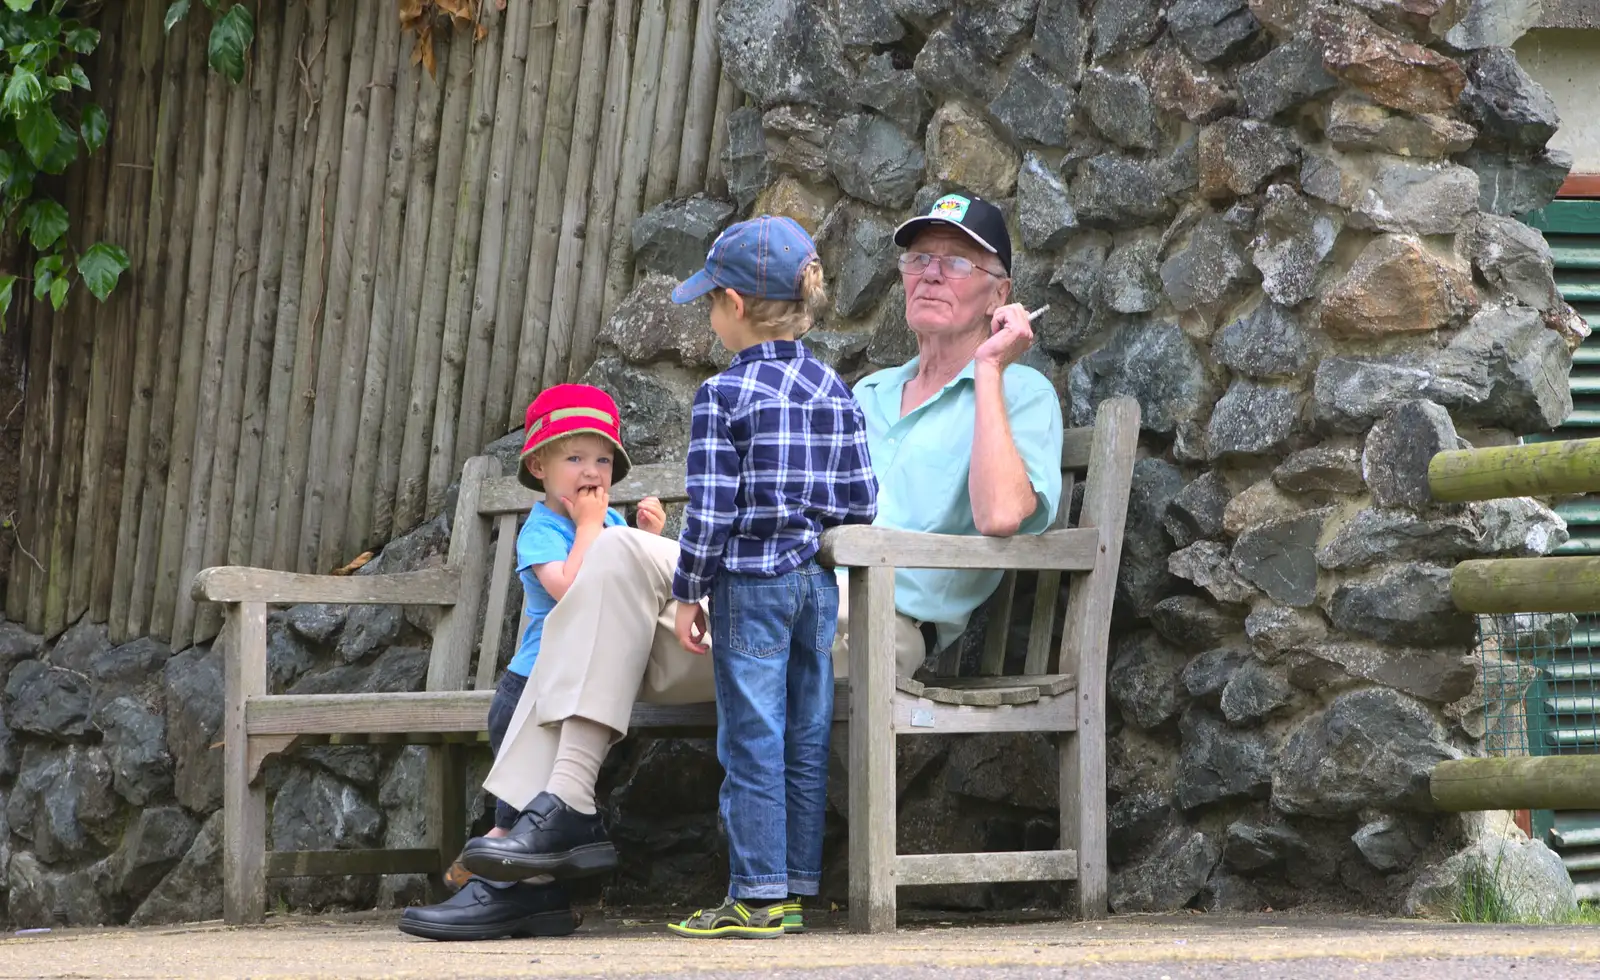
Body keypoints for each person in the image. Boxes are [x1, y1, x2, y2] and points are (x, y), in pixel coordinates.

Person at [397, 192, 1065, 941]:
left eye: (955, 261)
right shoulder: (861, 391)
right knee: (610, 562)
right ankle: (553, 831)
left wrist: (991, 372)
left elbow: (1002, 515)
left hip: (873, 624)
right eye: (917, 258)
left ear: (999, 292)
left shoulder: (1019, 393)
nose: (928, 274)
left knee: (588, 609)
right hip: (775, 601)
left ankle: (523, 868)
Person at [658, 216, 878, 939]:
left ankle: (754, 896)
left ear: (735, 304)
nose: (709, 316)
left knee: (752, 737)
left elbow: (712, 512)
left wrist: (687, 586)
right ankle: (791, 891)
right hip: (815, 587)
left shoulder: (723, 396)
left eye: (710, 303)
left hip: (748, 585)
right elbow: (862, 502)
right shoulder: (835, 390)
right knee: (805, 734)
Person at [400, 384, 665, 941]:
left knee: (538, 812)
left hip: (579, 686)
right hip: (529, 692)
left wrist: (645, 539)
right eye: (574, 458)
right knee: (519, 811)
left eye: (601, 459)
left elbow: (627, 587)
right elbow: (575, 591)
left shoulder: (610, 525)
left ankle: (532, 894)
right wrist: (593, 528)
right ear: (539, 466)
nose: (591, 472)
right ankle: (492, 868)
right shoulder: (544, 530)